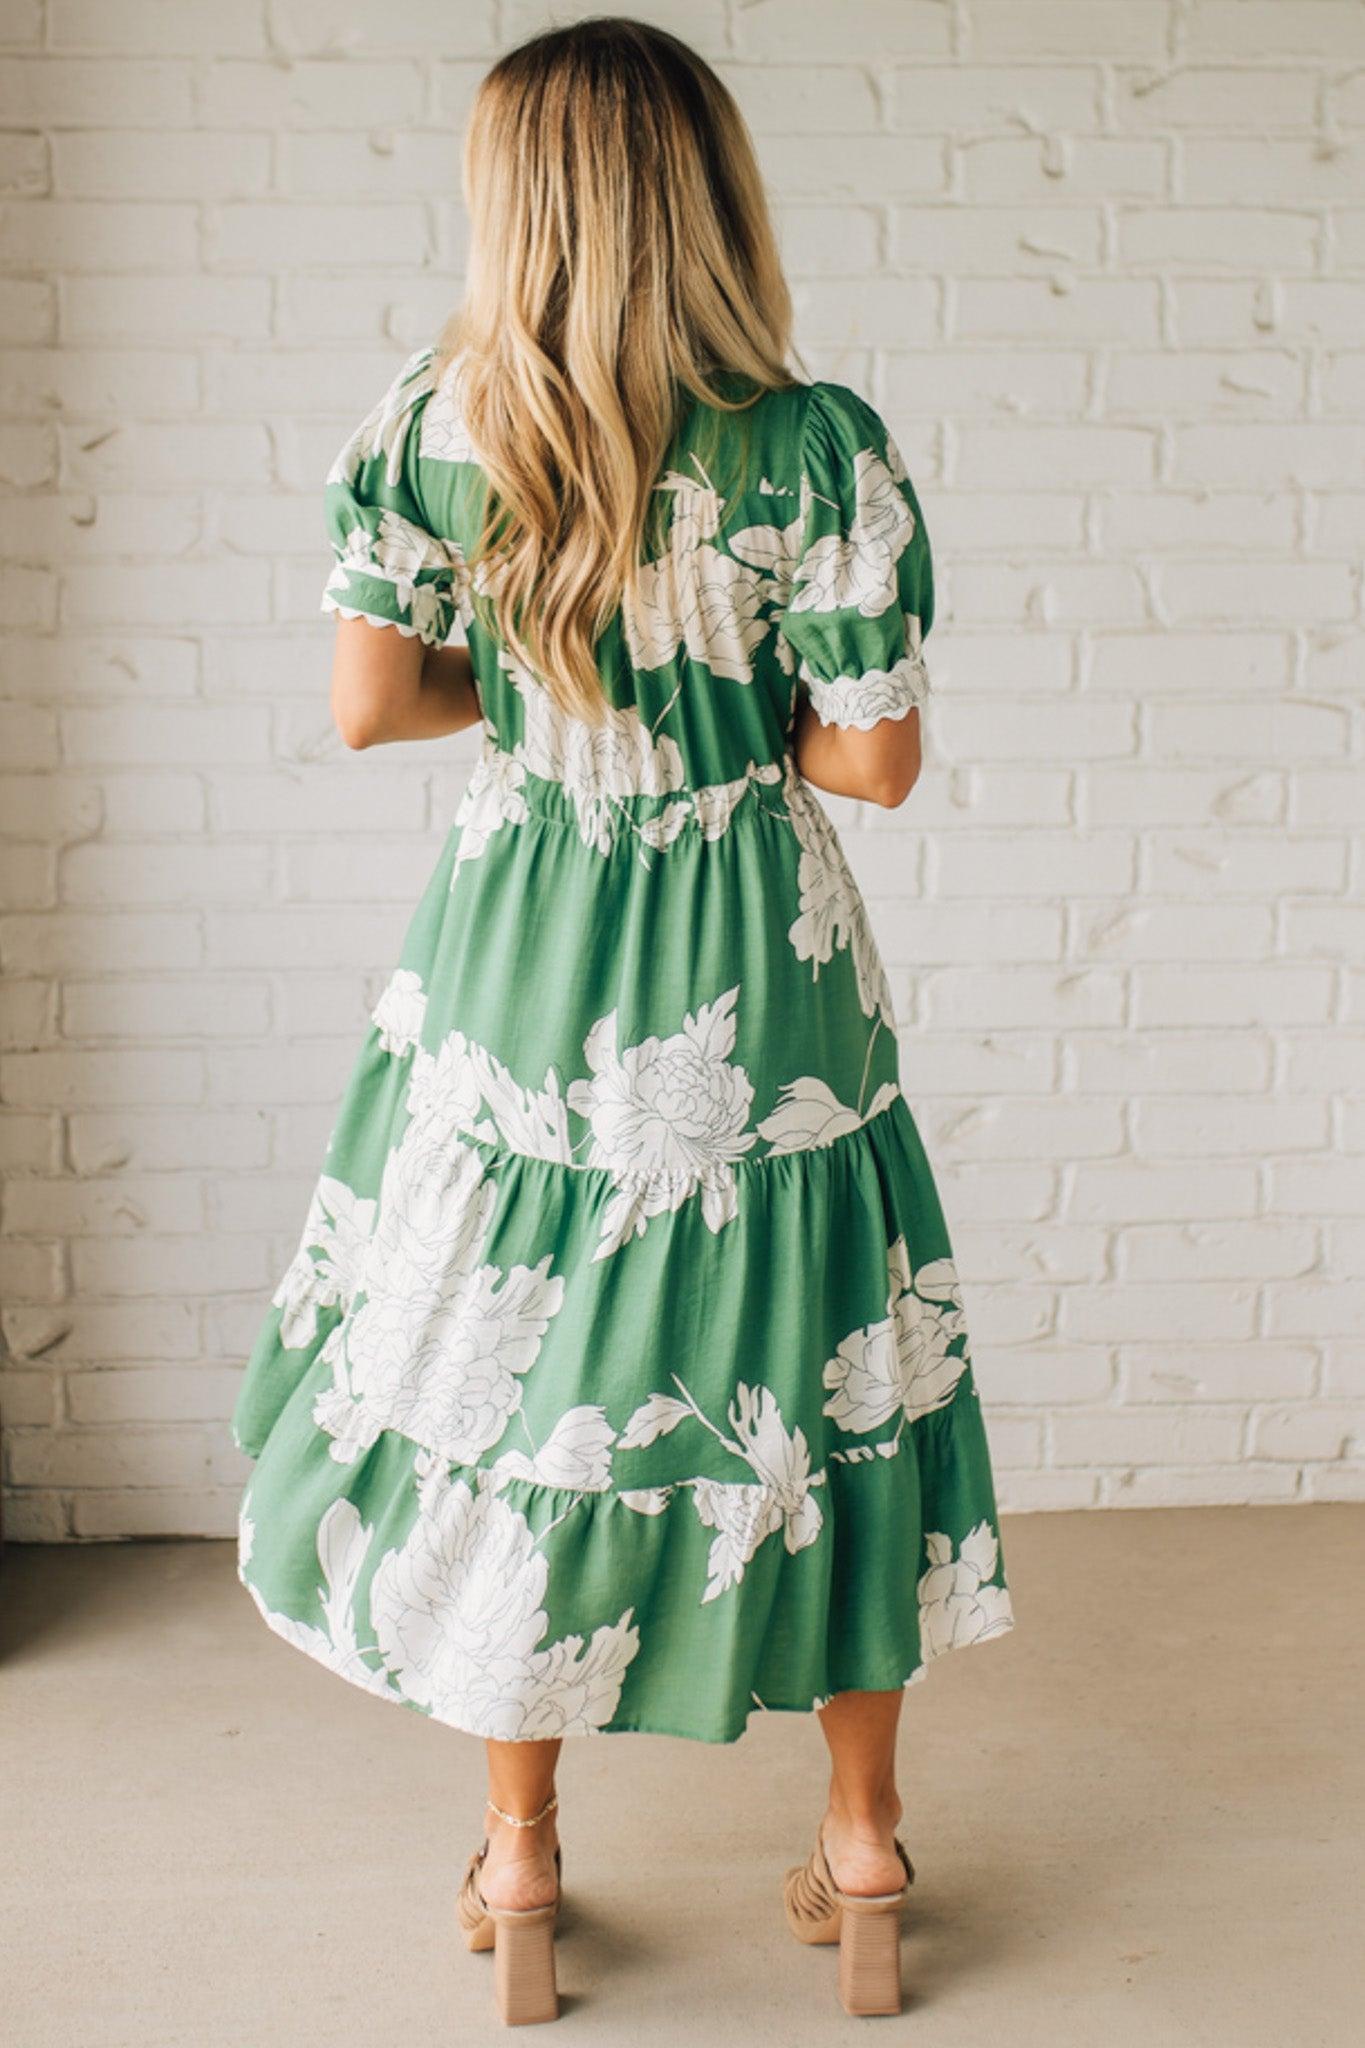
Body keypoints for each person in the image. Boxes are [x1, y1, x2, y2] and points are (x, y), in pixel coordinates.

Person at [229, 14, 1014, 2025]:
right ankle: (857, 1841)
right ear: (706, 194)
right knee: (824, 1365)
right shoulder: (812, 439)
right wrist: (725, 724)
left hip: (525, 940)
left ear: (516, 204)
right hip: (754, 947)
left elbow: (367, 706)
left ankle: (519, 1854)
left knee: (520, 1367)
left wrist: (550, 703)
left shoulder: (436, 420)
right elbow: (876, 770)